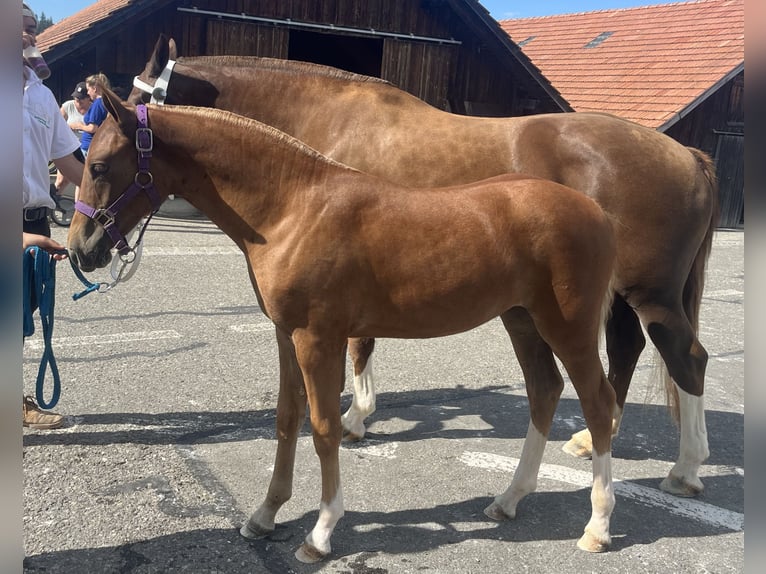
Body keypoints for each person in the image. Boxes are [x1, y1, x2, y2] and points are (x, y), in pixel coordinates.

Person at [23, 3, 84, 429]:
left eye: (32, 28)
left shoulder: (42, 95)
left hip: (35, 217)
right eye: (19, 28)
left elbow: (72, 166)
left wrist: (116, 204)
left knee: (19, 316)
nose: (30, 35)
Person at [54, 81, 91, 193]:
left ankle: (78, 206)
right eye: (76, 98)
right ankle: (54, 201)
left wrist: (81, 126)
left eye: (81, 99)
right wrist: (69, 126)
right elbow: (57, 125)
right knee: (61, 180)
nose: (78, 101)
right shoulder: (68, 106)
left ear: (89, 98)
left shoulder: (94, 109)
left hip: (86, 148)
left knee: (81, 181)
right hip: (69, 148)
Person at [78, 72, 111, 157]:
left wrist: (79, 126)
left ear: (95, 89)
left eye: (88, 89)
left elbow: (93, 128)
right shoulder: (106, 101)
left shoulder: (97, 103)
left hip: (89, 146)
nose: (88, 93)